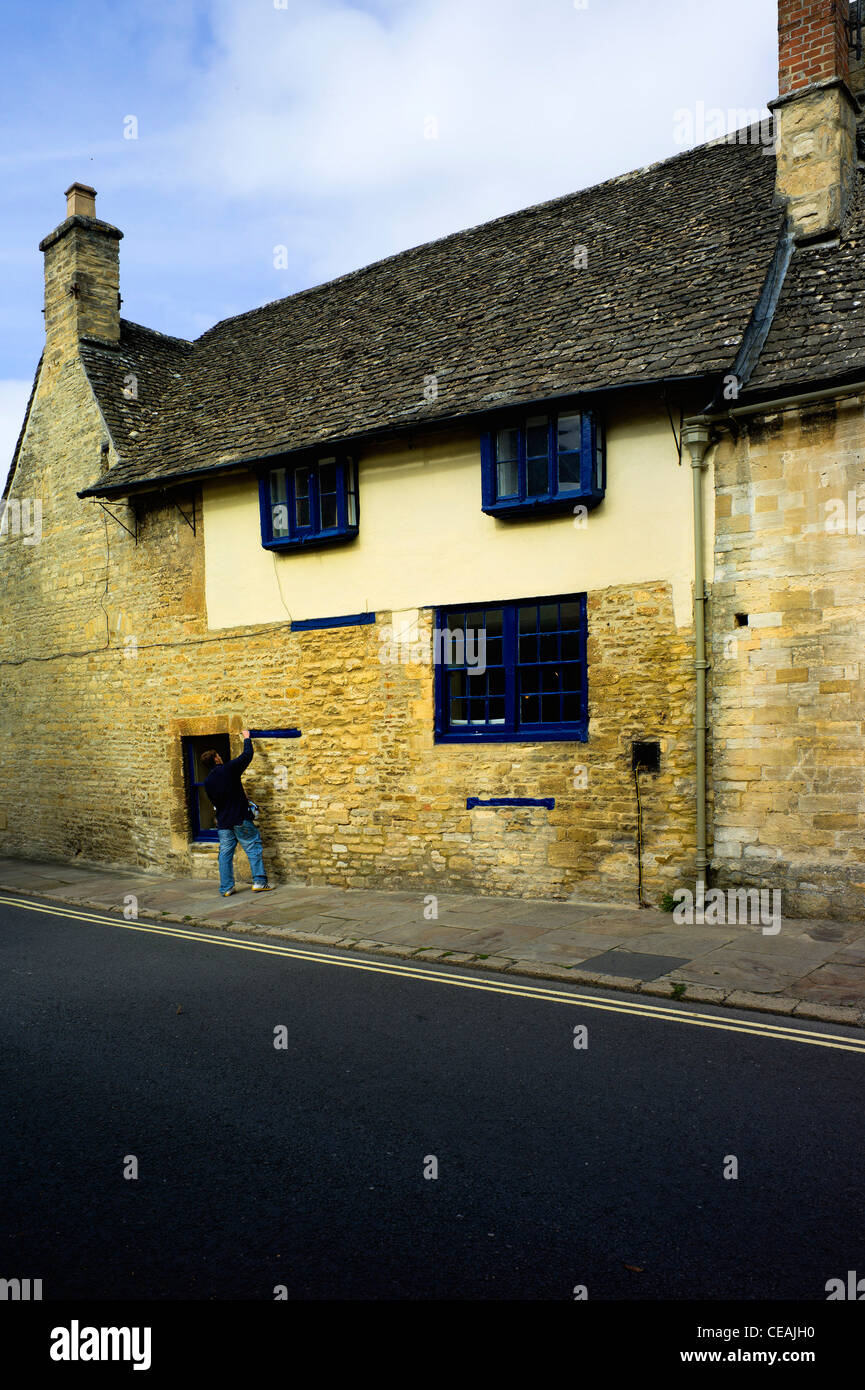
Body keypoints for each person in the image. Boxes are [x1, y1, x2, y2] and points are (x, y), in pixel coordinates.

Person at [200, 730, 271, 896]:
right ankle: (259, 882)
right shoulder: (229, 769)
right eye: (218, 755)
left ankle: (226, 888)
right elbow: (247, 755)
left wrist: (240, 795)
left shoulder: (208, 782)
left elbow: (218, 801)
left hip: (224, 822)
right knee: (253, 847)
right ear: (216, 758)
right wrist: (247, 738)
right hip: (240, 818)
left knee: (225, 854)